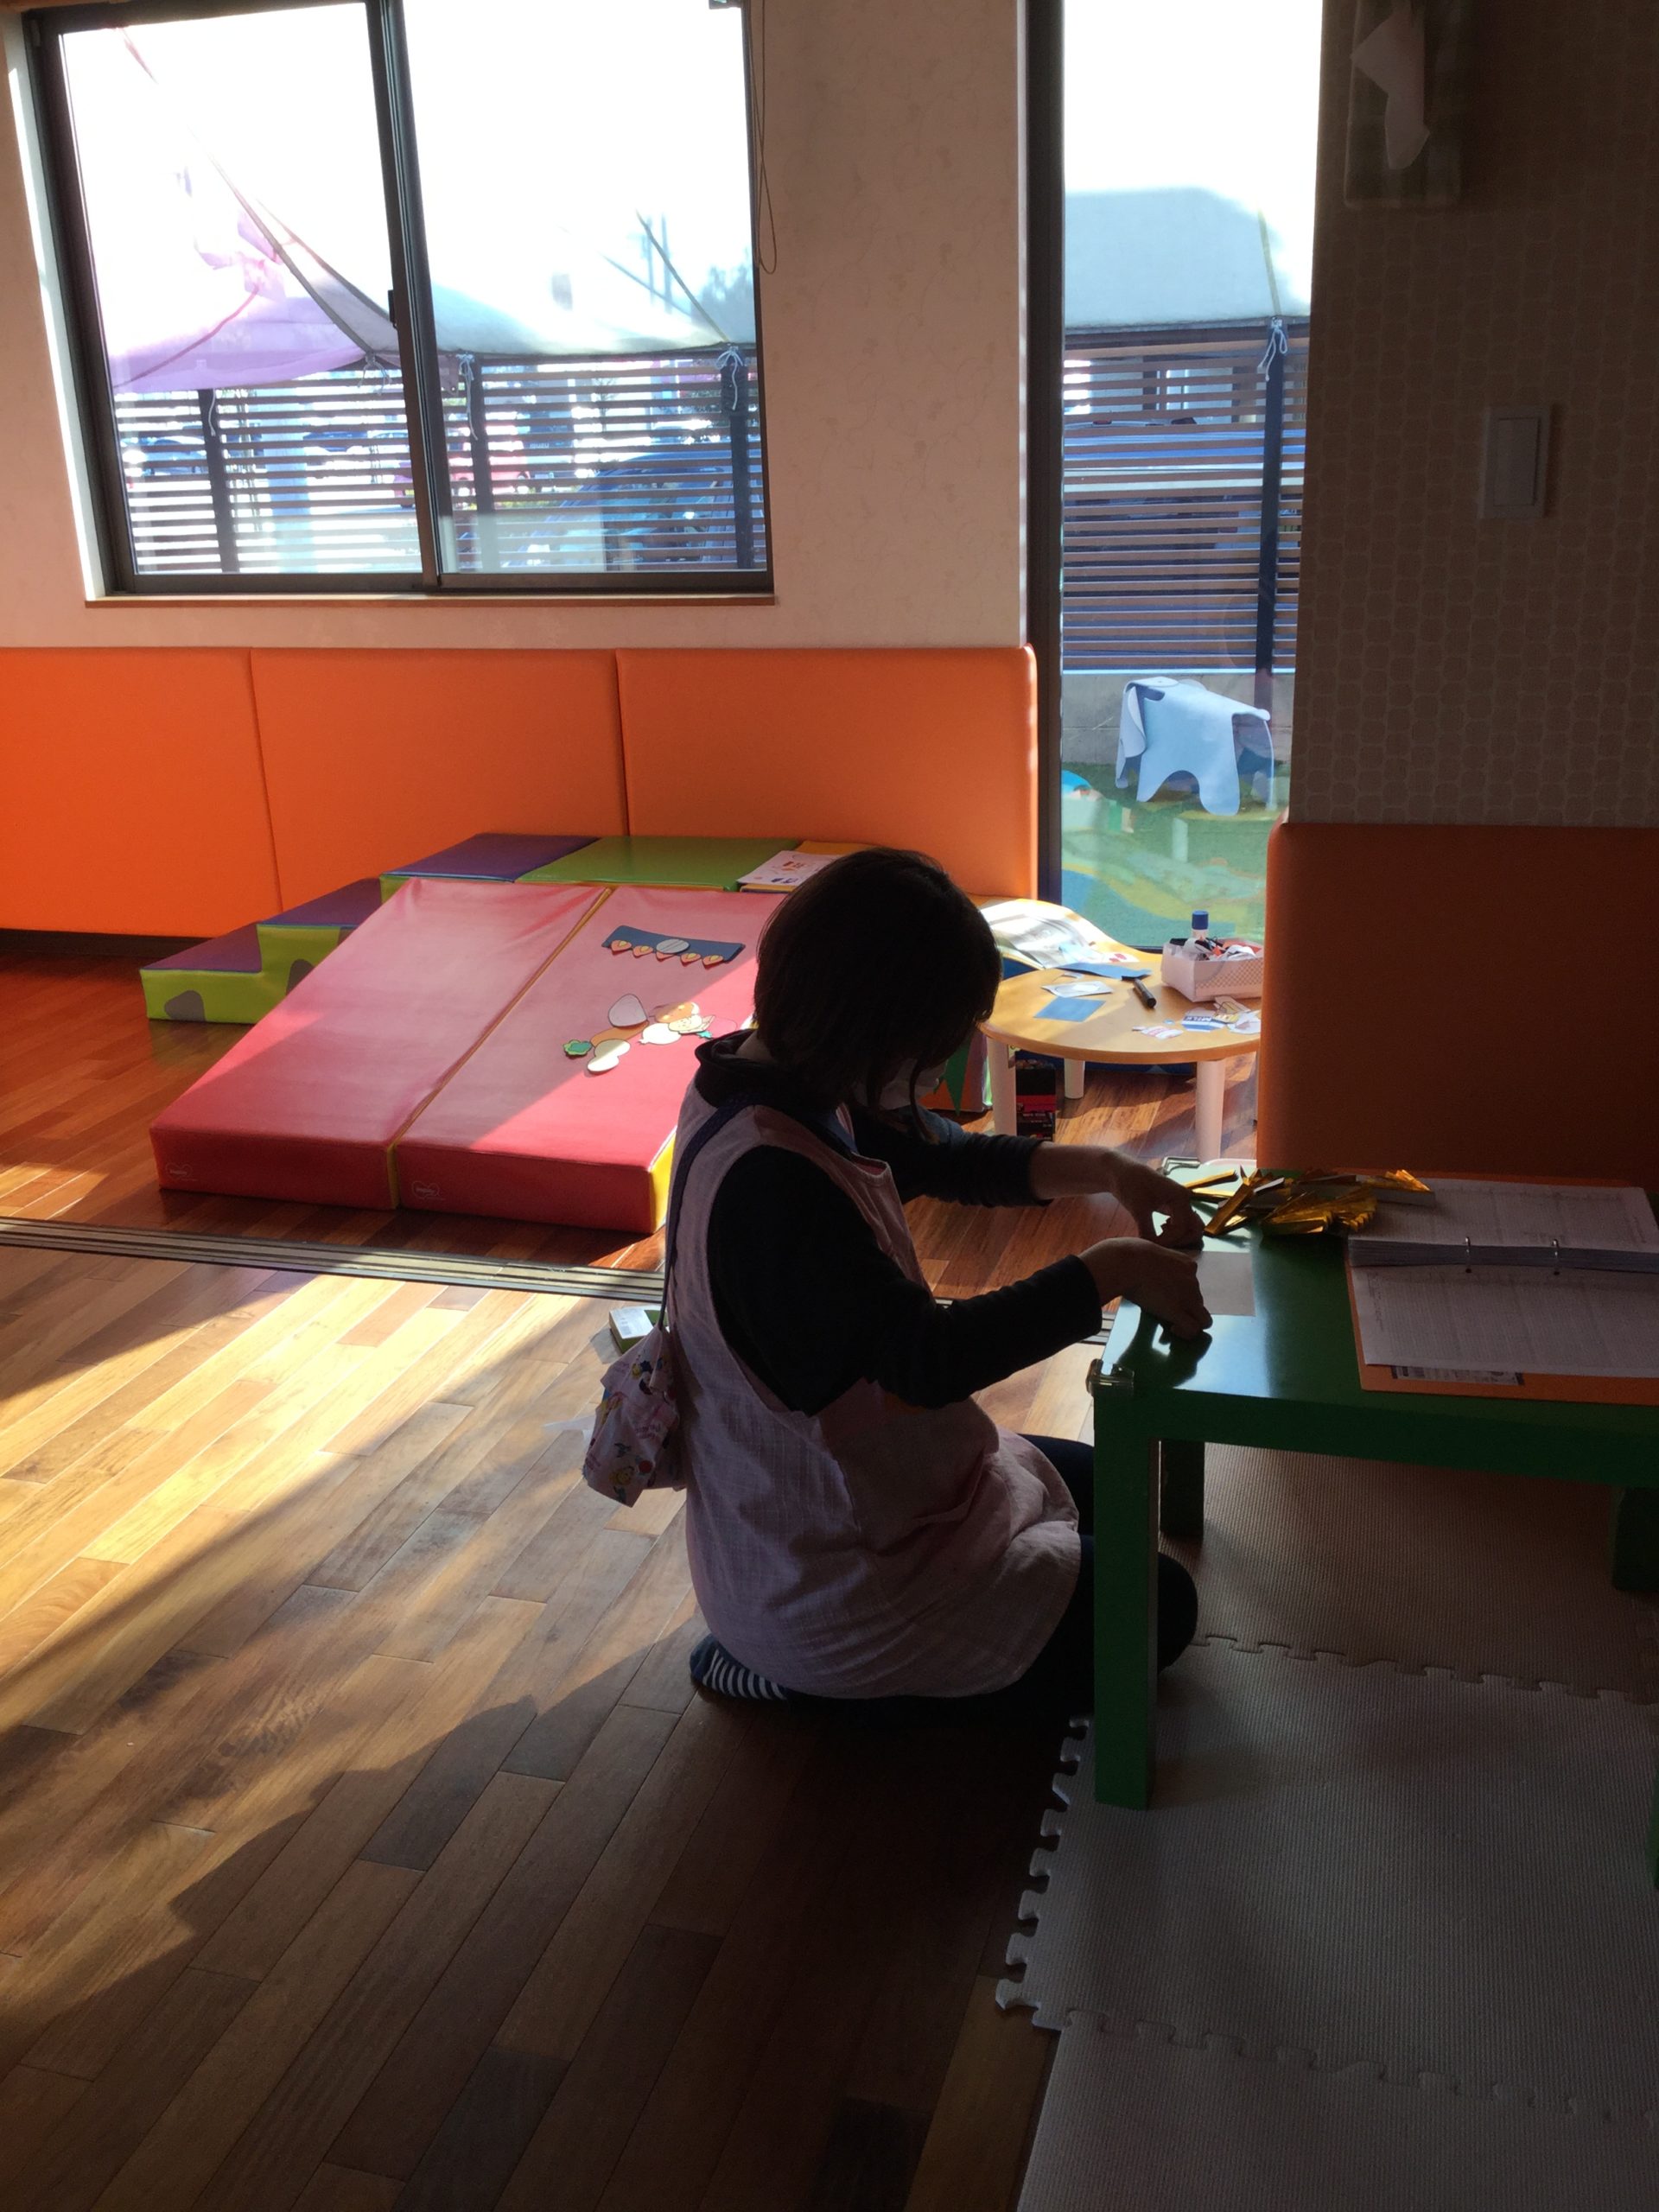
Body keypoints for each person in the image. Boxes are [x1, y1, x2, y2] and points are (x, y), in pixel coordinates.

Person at [667, 847, 1211, 1719]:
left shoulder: (776, 1076)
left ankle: (822, 1655)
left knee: (1117, 1485)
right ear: (871, 1028)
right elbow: (927, 1360)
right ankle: (815, 1679)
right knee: (1162, 1609)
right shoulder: (772, 1188)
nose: (930, 1082)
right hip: (835, 1584)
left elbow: (953, 1158)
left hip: (853, 1501)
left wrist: (1110, 1169)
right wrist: (1106, 1270)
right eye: (926, 1060)